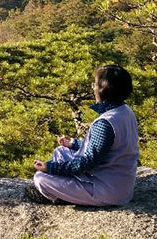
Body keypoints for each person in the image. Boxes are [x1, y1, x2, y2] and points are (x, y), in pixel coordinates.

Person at [28, 65, 139, 206]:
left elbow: (88, 162)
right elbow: (108, 149)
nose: (93, 88)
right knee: (61, 151)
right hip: (120, 181)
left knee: (40, 178)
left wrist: (50, 168)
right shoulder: (125, 111)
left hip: (107, 191)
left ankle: (61, 197)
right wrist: (74, 144)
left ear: (103, 89)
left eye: (95, 84)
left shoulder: (105, 123)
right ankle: (65, 189)